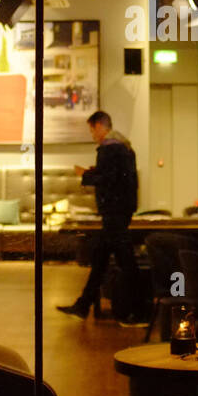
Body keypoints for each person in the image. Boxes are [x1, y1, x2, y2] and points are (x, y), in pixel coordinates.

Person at [57, 110, 141, 322]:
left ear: (100, 126)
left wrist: (84, 174)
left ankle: (138, 311)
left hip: (113, 212)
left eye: (92, 129)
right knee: (102, 260)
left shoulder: (108, 149)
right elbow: (118, 177)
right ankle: (84, 305)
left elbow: (107, 180)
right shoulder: (125, 147)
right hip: (123, 209)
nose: (92, 134)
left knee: (124, 262)